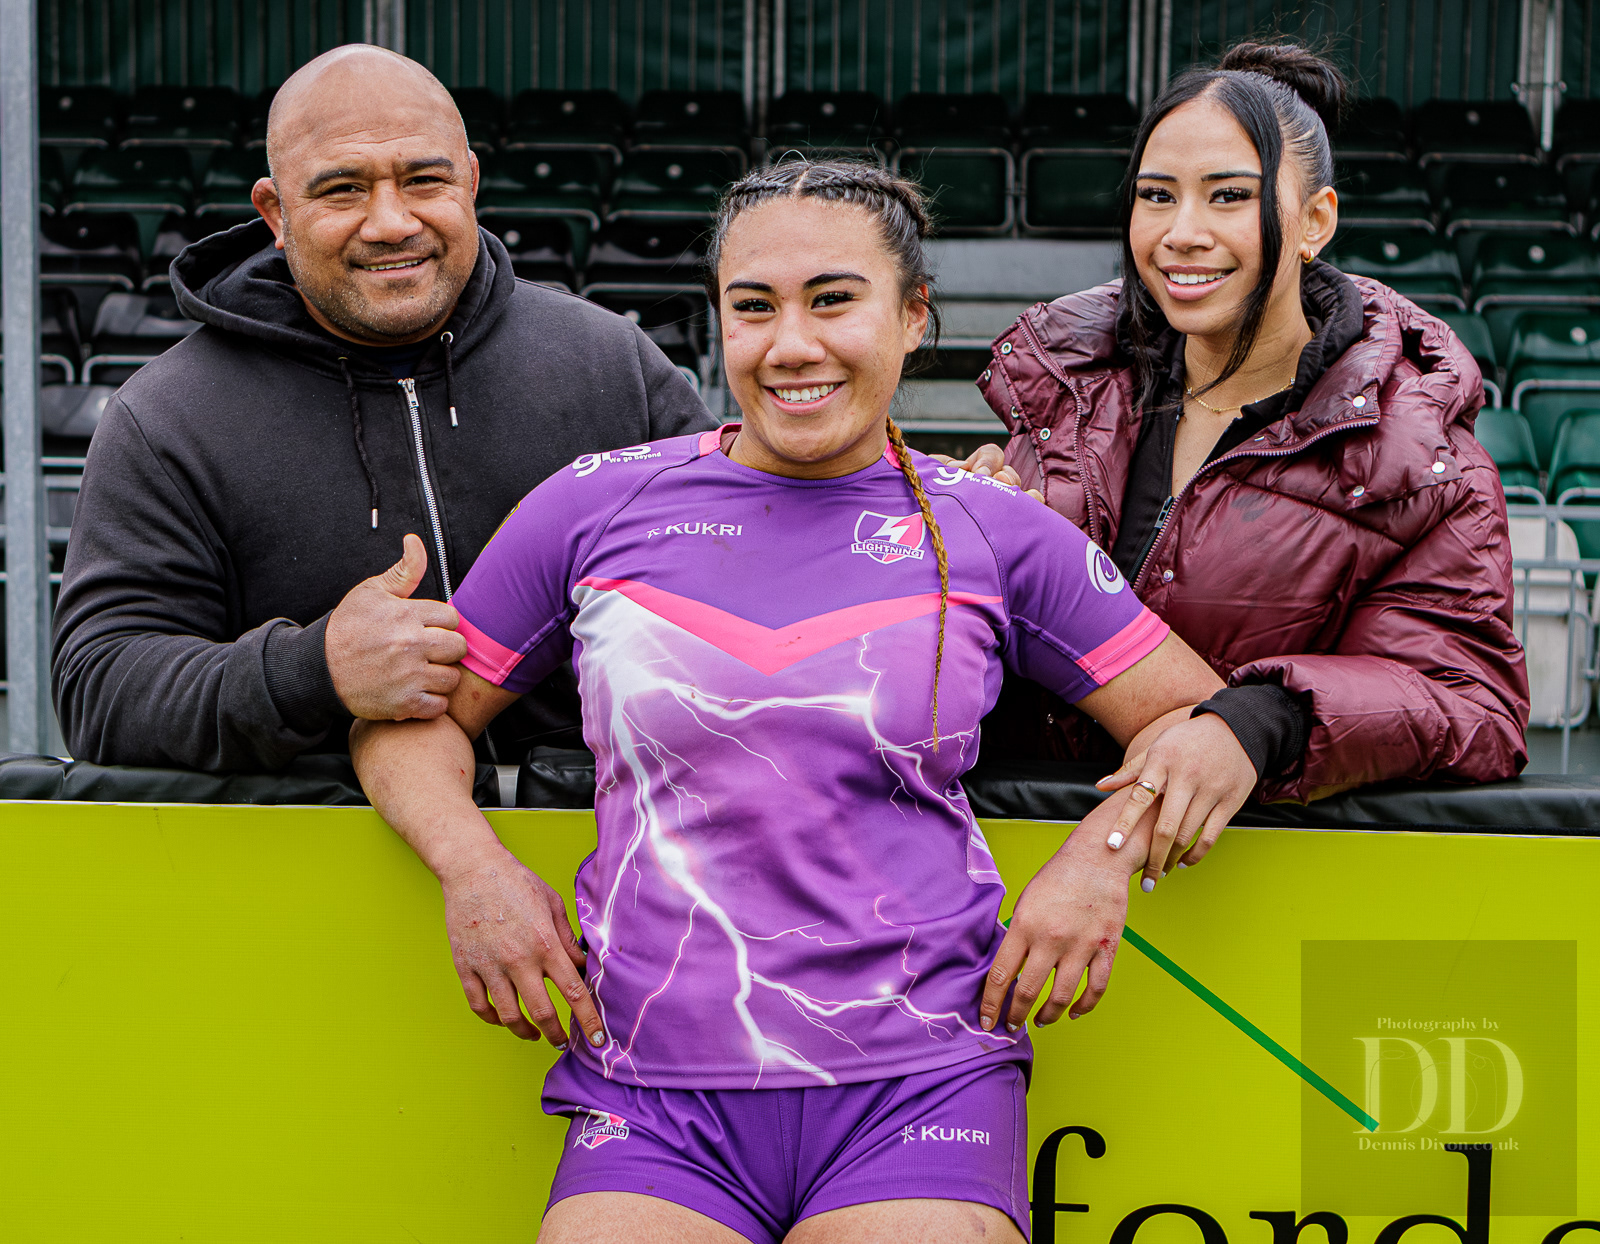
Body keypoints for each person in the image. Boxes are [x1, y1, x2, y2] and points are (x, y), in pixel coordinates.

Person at [352, 159, 1255, 1244]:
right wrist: (474, 871)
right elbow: (409, 721)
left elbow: (1199, 718)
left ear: (912, 316)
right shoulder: (594, 506)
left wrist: (1098, 862)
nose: (790, 344)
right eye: (753, 307)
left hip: (920, 1080)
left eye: (833, 300)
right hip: (652, 1090)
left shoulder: (992, 526)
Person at [51, 44, 715, 772]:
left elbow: (744, 577)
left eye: (424, 179)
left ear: (471, 181)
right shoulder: (167, 419)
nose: (392, 222)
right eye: (343, 190)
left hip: (606, 834)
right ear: (275, 213)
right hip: (322, 842)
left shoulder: (612, 364)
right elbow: (100, 693)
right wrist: (313, 672)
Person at [977, 43, 1529, 802]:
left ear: (1315, 221)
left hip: (1239, 866)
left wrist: (1267, 719)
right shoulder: (1063, 403)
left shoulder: (1424, 463)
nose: (1182, 232)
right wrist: (969, 536)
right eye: (1157, 195)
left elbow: (1474, 706)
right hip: (1025, 850)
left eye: (1229, 196)